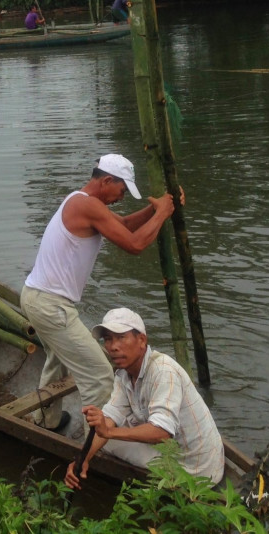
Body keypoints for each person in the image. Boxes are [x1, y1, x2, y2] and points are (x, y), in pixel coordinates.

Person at [20, 154, 177, 432]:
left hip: (39, 298)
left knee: (58, 360)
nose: (122, 196)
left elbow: (125, 226)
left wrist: (156, 211)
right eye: (121, 189)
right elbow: (134, 244)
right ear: (106, 180)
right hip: (49, 305)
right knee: (100, 377)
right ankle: (100, 443)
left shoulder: (81, 200)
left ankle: (46, 421)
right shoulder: (86, 205)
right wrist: (162, 213)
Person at [64, 307, 225, 488]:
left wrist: (109, 432)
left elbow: (162, 433)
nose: (113, 346)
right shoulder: (124, 374)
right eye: (108, 339)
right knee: (108, 434)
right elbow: (111, 417)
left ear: (141, 340)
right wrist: (83, 458)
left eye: (121, 337)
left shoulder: (163, 371)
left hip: (196, 471)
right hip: (182, 455)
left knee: (109, 439)